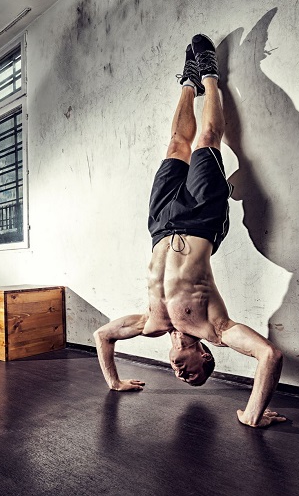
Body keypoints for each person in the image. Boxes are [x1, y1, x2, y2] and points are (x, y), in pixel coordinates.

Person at [93, 34, 285, 428]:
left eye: (184, 378)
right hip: (200, 219)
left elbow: (102, 336)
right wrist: (252, 415)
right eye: (195, 374)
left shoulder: (151, 324)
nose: (183, 375)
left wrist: (114, 383)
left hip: (160, 225)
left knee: (175, 143)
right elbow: (269, 355)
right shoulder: (215, 328)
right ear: (206, 356)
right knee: (205, 141)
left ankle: (187, 82)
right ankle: (210, 75)